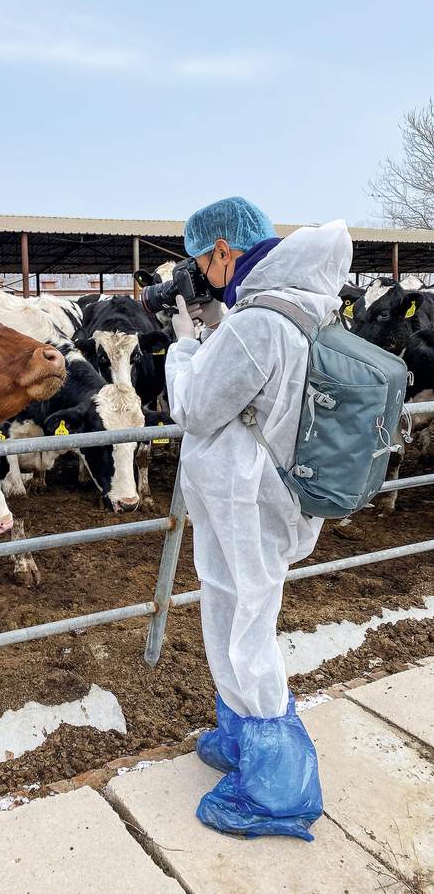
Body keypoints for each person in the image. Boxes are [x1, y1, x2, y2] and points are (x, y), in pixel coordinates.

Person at [165, 195, 353, 841]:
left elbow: (194, 408)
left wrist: (184, 348)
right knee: (231, 607)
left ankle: (279, 787)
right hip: (257, 496)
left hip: (248, 500)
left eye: (203, 261)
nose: (203, 275)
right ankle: (243, 732)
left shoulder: (256, 322)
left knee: (246, 623)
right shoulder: (300, 304)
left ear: (224, 250)